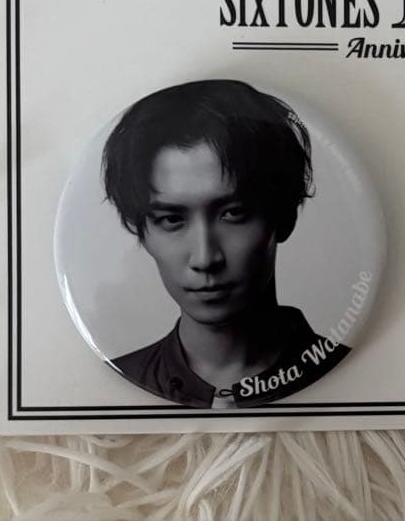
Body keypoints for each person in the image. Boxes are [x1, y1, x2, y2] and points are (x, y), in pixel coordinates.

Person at [101, 79, 349, 408]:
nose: (205, 258)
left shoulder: (354, 373)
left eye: (234, 213)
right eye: (171, 219)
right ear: (140, 230)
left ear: (284, 216)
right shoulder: (110, 386)